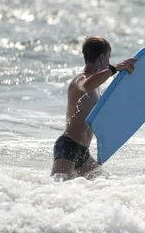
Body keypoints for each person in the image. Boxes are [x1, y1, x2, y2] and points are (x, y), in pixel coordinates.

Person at [50, 36, 137, 181]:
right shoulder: (81, 80)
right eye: (109, 58)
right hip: (68, 146)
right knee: (55, 190)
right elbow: (86, 86)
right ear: (102, 57)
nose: (109, 62)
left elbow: (111, 112)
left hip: (83, 153)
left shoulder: (96, 90)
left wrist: (141, 110)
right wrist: (114, 69)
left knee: (106, 184)